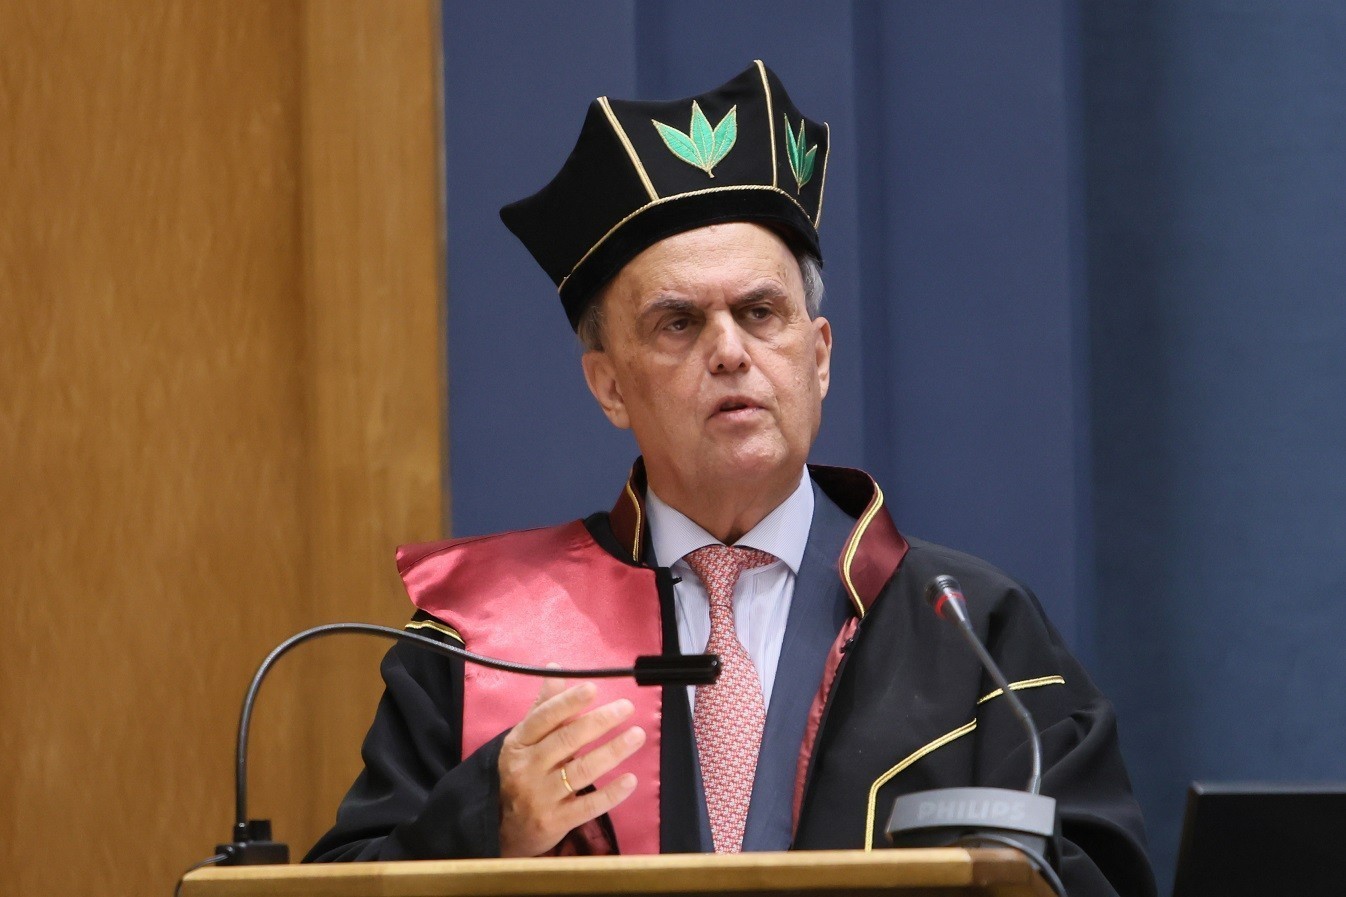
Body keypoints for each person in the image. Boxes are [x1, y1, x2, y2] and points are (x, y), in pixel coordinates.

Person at [306, 61, 1156, 897]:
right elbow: (344, 883)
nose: (728, 351)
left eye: (760, 313)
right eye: (678, 323)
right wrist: (481, 823)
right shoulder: (482, 642)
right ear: (608, 385)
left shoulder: (973, 631)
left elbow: (1093, 870)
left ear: (818, 358)